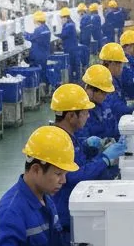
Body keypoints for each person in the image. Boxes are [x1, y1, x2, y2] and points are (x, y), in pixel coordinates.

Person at [48, 84, 127, 231]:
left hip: (76, 205)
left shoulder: (68, 136)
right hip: (67, 215)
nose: (88, 116)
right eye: (85, 112)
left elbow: (79, 161)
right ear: (71, 116)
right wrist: (104, 159)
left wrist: (88, 146)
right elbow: (74, 176)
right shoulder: (59, 142)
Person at [80, 64, 129, 141]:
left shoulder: (104, 105)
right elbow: (83, 141)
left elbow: (113, 127)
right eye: (103, 93)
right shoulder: (80, 112)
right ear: (90, 90)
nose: (105, 96)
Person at [58, 7, 81, 82]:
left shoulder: (68, 25)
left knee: (69, 64)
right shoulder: (71, 23)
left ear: (65, 17)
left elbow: (63, 35)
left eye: (61, 18)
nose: (61, 19)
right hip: (72, 47)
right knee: (74, 64)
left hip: (69, 48)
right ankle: (77, 79)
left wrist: (57, 36)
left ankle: (71, 80)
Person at [118, 33, 134, 100]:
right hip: (127, 98)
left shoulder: (130, 59)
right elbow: (127, 83)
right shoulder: (121, 61)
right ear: (128, 46)